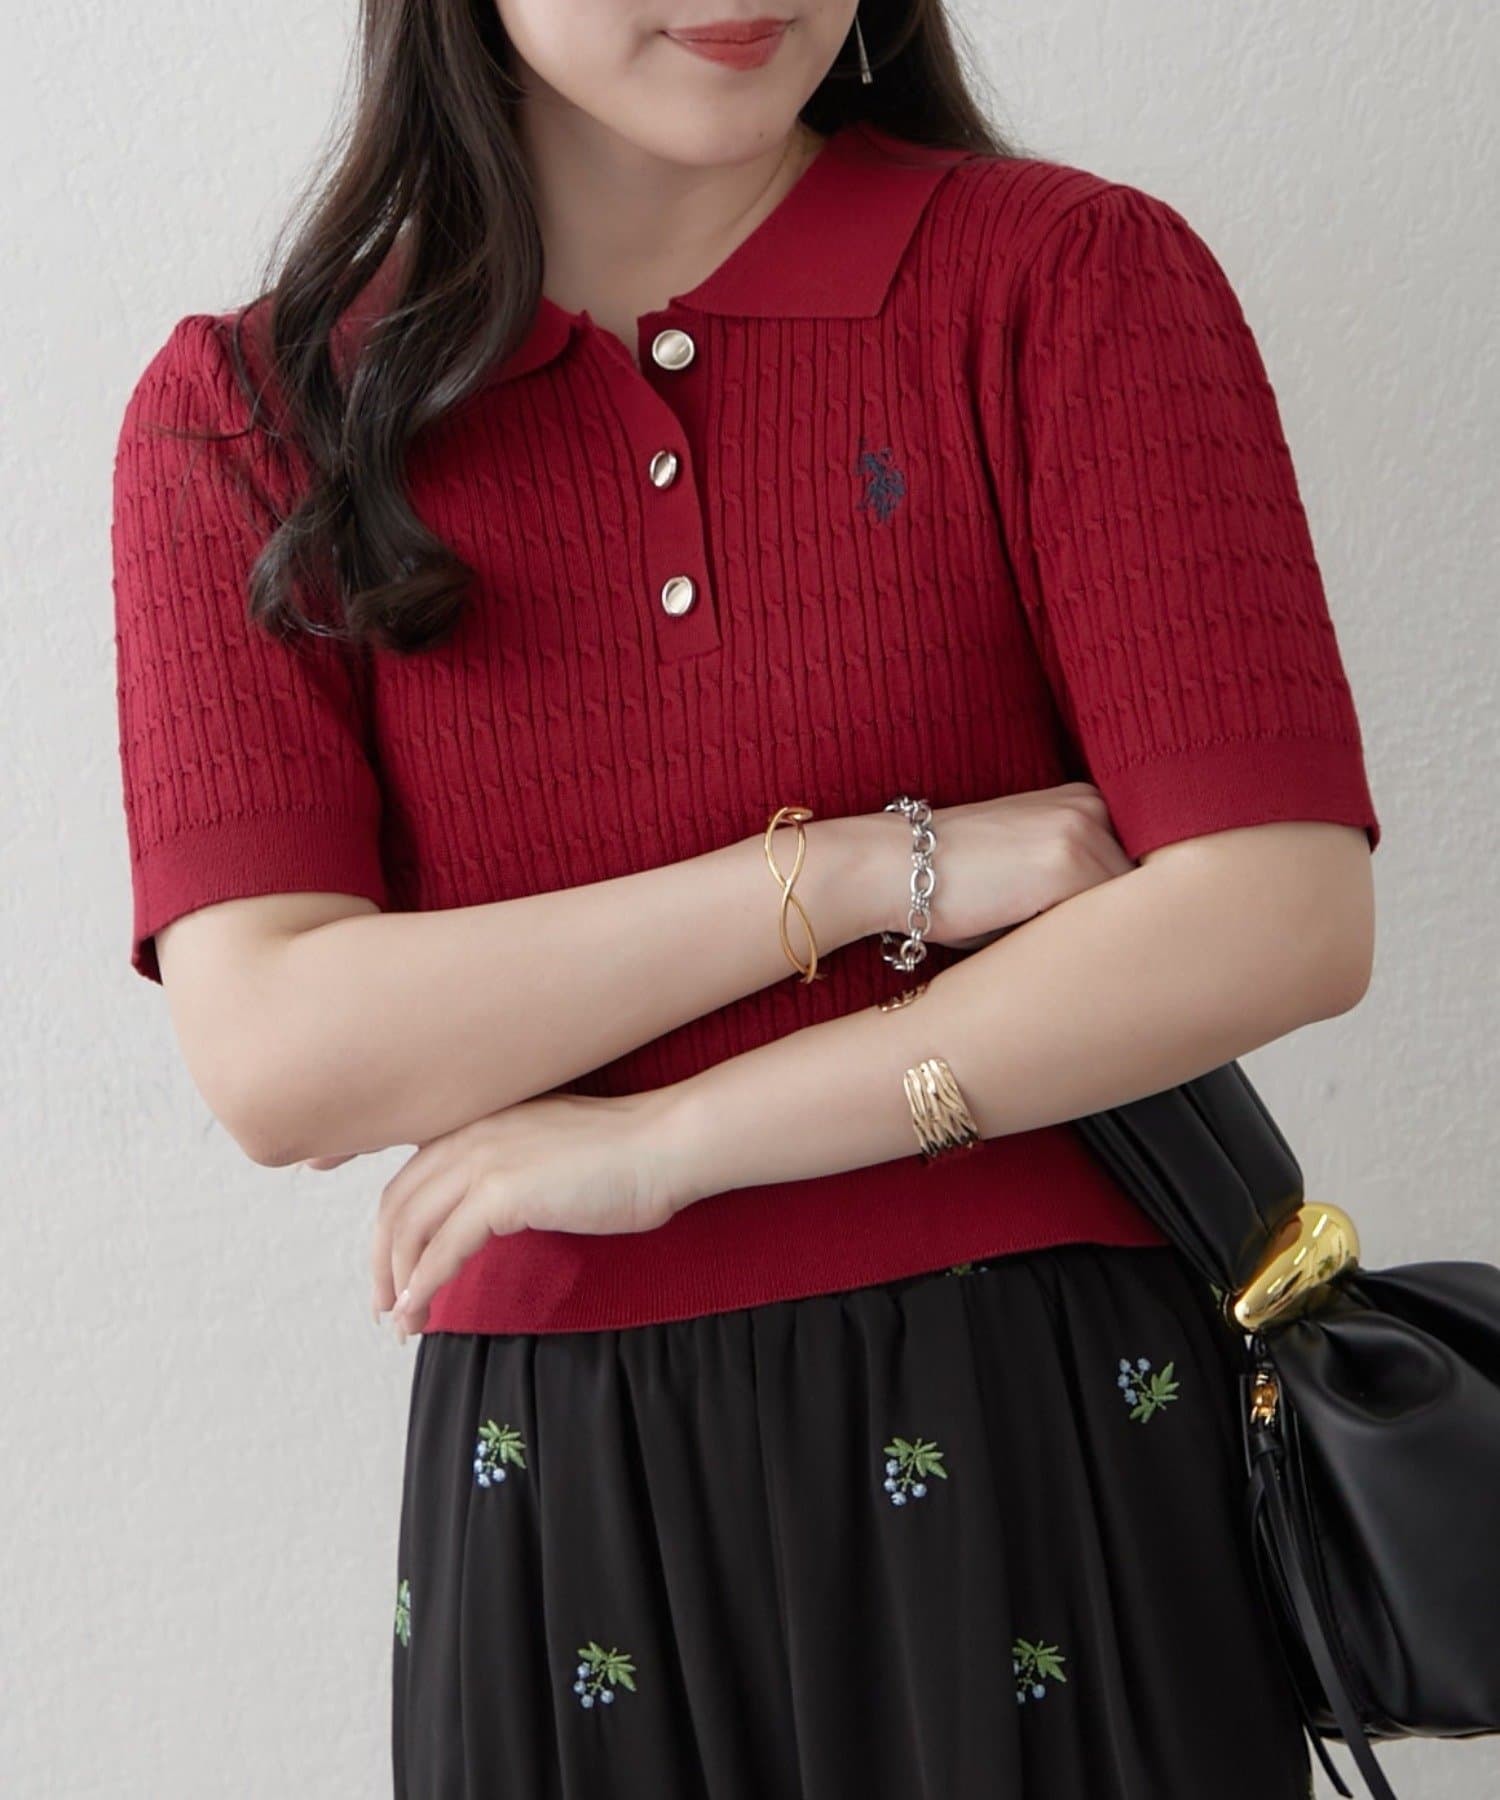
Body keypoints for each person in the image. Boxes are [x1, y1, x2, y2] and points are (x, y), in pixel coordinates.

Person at [110, 2, 1381, 1795]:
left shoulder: (1070, 281)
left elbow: (1278, 912)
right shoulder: (251, 417)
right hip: (570, 1497)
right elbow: (281, 1058)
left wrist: (672, 1142)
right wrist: (846, 872)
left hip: (1050, 1432)